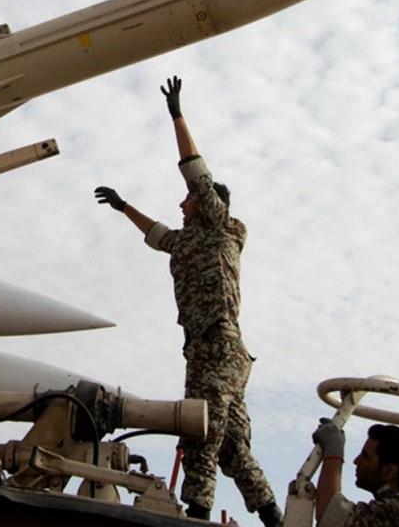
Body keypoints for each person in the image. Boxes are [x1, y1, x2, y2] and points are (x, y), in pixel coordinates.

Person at [94, 76, 280, 527]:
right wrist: (123, 207)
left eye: (189, 199)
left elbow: (195, 171)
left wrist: (177, 115)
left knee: (199, 432)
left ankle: (195, 516)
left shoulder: (223, 228)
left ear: (207, 202)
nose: (182, 203)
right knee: (233, 448)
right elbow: (157, 235)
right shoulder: (186, 241)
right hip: (203, 351)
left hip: (219, 346)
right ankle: (275, 516)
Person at [312, 420, 399, 527]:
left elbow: (329, 515)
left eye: (366, 457)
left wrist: (333, 450)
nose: (356, 461)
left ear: (389, 471)